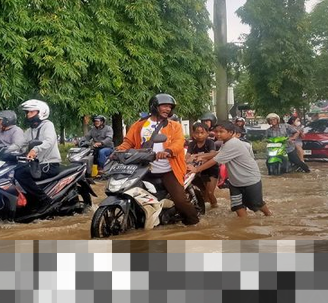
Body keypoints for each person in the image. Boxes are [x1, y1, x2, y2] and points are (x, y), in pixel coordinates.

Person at [116, 94, 199, 226]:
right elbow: (128, 142)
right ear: (154, 106)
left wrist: (168, 151)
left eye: (170, 107)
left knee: (180, 200)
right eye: (164, 106)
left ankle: (194, 223)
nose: (168, 109)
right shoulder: (139, 125)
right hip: (143, 169)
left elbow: (179, 142)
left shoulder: (174, 126)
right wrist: (118, 151)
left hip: (168, 170)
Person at [192, 121, 271, 217]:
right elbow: (218, 153)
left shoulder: (232, 144)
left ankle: (269, 214)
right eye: (216, 131)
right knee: (237, 206)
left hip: (249, 180)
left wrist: (196, 169)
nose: (218, 134)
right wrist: (201, 156)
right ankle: (244, 224)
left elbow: (215, 160)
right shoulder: (226, 143)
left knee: (256, 204)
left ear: (231, 132)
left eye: (221, 131)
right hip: (235, 182)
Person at [15, 99, 62, 210]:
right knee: (14, 170)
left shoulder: (48, 125)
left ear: (41, 112)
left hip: (49, 164)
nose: (28, 115)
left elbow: (49, 141)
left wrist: (35, 150)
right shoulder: (30, 130)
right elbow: (20, 144)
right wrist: (6, 150)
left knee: (20, 173)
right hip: (36, 164)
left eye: (31, 112)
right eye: (27, 112)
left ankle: (44, 199)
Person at [186, 122, 219, 209]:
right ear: (193, 134)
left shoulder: (210, 143)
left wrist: (198, 156)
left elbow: (212, 154)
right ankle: (207, 210)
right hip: (201, 171)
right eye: (197, 133)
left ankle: (215, 207)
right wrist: (188, 159)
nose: (199, 135)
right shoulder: (192, 144)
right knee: (204, 192)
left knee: (210, 192)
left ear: (207, 133)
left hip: (212, 169)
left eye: (202, 133)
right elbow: (187, 157)